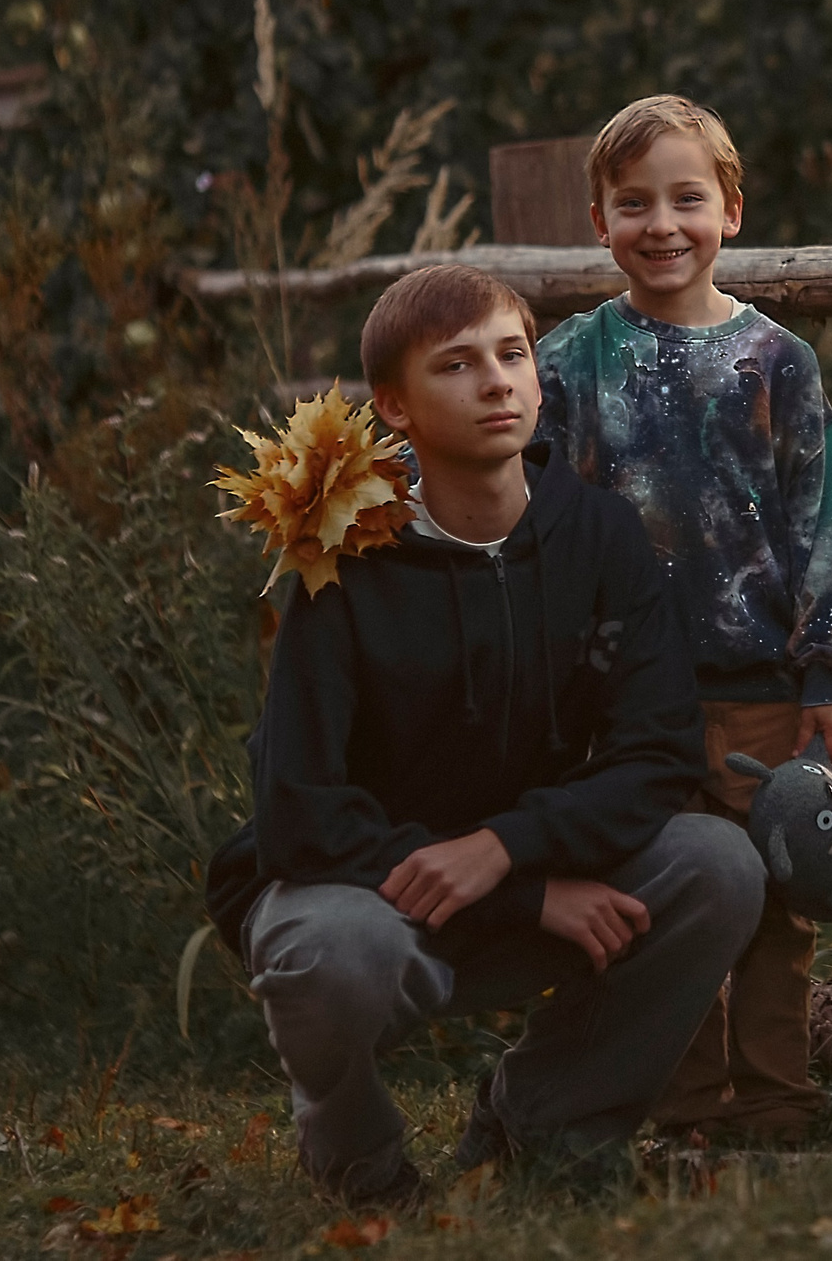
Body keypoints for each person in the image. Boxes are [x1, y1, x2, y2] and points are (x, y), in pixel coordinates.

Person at [204, 264, 763, 1206]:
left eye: (512, 355)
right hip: (368, 898)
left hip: (517, 863)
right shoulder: (342, 565)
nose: (497, 381)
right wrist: (523, 894)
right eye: (457, 365)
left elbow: (658, 752)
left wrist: (512, 848)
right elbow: (297, 810)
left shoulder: (600, 538)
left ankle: (546, 1120)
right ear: (396, 405)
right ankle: (362, 1165)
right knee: (327, 955)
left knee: (718, 866)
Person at [536, 94, 832, 1144]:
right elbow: (518, 500)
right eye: (632, 203)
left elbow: (821, 516)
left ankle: (777, 1109)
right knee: (660, 906)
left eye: (687, 198)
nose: (661, 225)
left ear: (730, 210)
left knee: (777, 906)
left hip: (755, 693)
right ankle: (684, 1111)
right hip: (622, 702)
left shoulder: (775, 363)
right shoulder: (568, 365)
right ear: (598, 223)